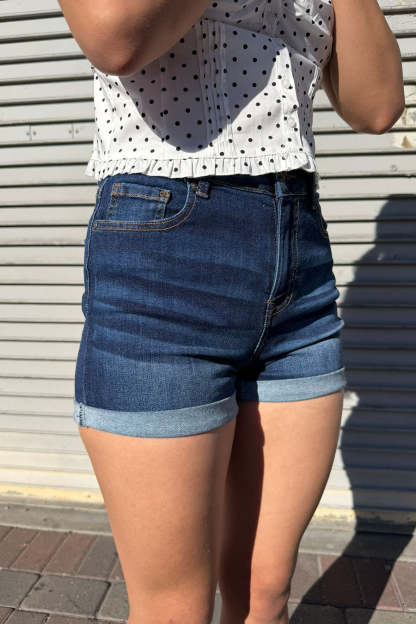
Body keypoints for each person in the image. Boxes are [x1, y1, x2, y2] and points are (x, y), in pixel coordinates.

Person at [59, 1, 405, 623]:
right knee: (174, 610)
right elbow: (114, 38)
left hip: (299, 258)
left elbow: (378, 107)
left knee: (265, 591)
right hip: (164, 252)